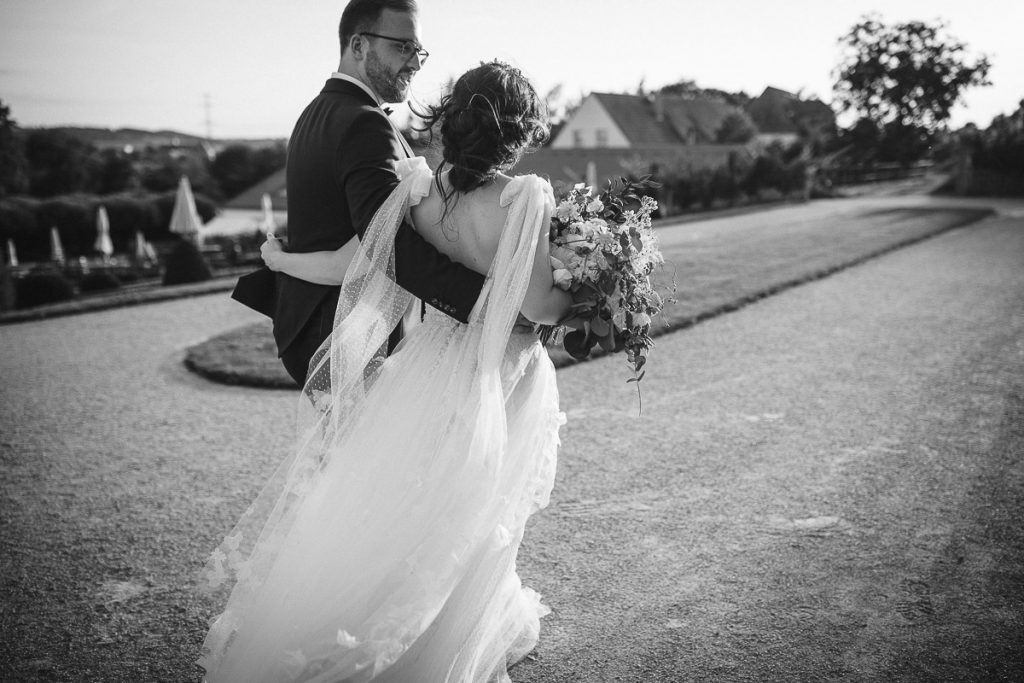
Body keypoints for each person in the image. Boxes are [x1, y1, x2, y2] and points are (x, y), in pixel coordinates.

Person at [198, 61, 572, 682]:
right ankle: (447, 646)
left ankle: (399, 627)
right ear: (519, 130)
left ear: (452, 118)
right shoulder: (524, 197)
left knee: (421, 502)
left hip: (426, 365)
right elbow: (538, 307)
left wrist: (280, 261)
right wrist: (582, 290)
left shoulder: (415, 189)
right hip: (497, 371)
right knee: (483, 505)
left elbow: (353, 264)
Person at [272, 0, 485, 385]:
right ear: (358, 46)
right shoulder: (362, 124)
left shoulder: (316, 112)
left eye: (418, 50)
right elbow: (387, 243)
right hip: (347, 340)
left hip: (313, 331)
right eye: (403, 47)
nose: (415, 63)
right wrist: (483, 300)